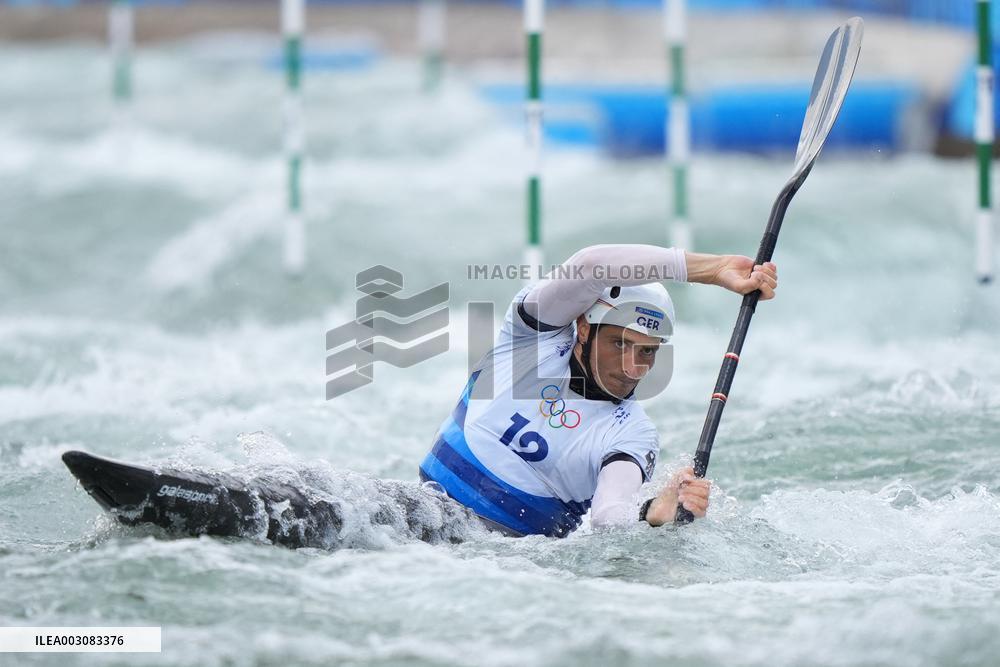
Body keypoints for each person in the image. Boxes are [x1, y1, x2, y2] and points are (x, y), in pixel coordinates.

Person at [419, 245, 778, 537]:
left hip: (500, 556)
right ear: (584, 329)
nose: (633, 368)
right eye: (620, 344)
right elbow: (592, 266)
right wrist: (715, 269)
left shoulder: (632, 432)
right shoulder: (530, 339)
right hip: (422, 510)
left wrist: (651, 511)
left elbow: (609, 515)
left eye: (647, 351)